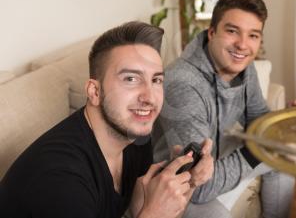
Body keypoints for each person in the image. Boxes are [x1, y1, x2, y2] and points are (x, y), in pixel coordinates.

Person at [0, 21, 213, 218]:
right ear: (94, 91)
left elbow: (138, 209)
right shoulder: (61, 180)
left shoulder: (136, 136)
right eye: (131, 79)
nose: (149, 97)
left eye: (156, 80)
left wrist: (188, 182)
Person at [152, 0, 295, 218]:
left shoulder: (243, 66)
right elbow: (197, 186)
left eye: (253, 35)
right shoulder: (182, 84)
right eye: (232, 31)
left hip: (216, 154)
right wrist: (257, 152)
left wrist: (286, 121)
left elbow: (258, 117)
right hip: (173, 181)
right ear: (211, 32)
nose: (242, 45)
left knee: (283, 156)